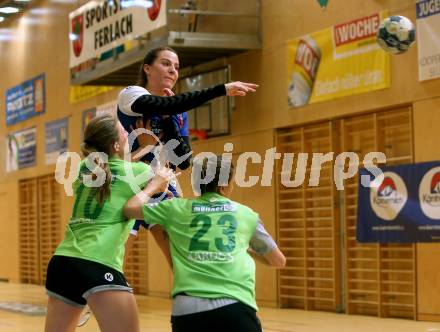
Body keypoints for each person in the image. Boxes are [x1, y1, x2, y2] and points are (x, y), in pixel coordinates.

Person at [118, 46, 259, 270]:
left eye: (176, 67)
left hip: (162, 183)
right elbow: (166, 104)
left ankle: (191, 301)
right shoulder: (131, 94)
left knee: (181, 260)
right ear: (147, 68)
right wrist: (221, 89)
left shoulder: (177, 110)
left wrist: (169, 120)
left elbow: (183, 159)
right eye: (165, 64)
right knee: (117, 260)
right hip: (129, 182)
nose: (173, 71)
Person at [123, 155, 286, 332]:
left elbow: (129, 209)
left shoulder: (175, 208)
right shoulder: (246, 215)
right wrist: (243, 248)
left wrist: (153, 186)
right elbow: (278, 261)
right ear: (224, 186)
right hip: (234, 305)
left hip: (187, 309)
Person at [44, 114, 174, 332]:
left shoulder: (83, 169)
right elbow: (158, 177)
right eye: (123, 131)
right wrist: (157, 182)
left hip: (63, 262)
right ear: (115, 144)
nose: (127, 134)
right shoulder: (140, 173)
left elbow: (116, 170)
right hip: (98, 261)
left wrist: (142, 150)